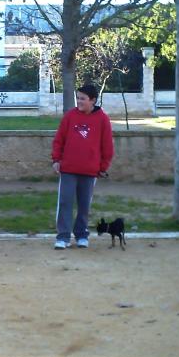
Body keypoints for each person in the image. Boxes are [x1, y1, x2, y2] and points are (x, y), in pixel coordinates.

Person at [51, 84, 114, 250]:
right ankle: (63, 237)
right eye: (77, 98)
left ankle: (81, 235)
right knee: (65, 202)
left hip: (90, 171)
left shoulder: (102, 119)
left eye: (83, 99)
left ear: (92, 100)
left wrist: (103, 166)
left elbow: (107, 146)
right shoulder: (69, 116)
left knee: (84, 205)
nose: (79, 101)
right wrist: (56, 159)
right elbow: (59, 140)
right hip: (68, 169)